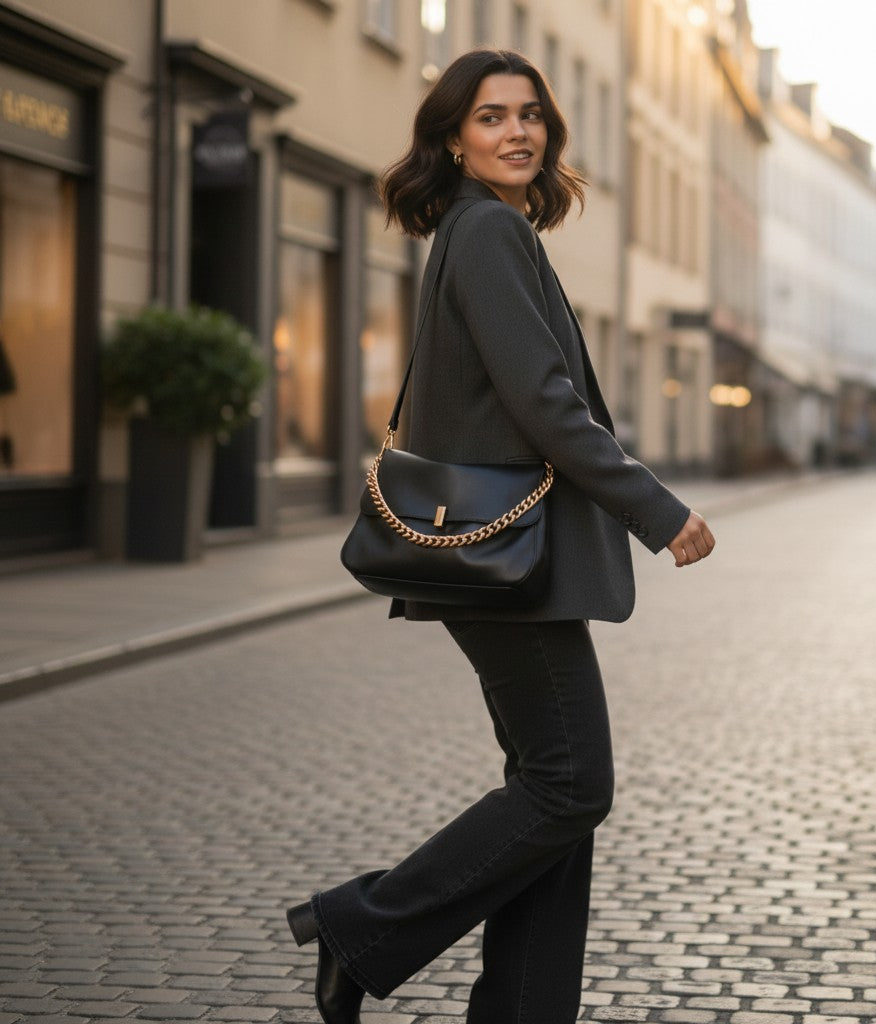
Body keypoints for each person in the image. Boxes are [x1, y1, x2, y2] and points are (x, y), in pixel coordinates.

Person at [285, 48, 716, 1024]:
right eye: (490, 116)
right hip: (504, 558)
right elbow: (544, 402)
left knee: (550, 793)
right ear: (453, 138)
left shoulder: (486, 228)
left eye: (530, 114)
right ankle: (361, 928)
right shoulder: (487, 231)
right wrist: (656, 510)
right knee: (569, 787)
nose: (517, 131)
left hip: (512, 556)